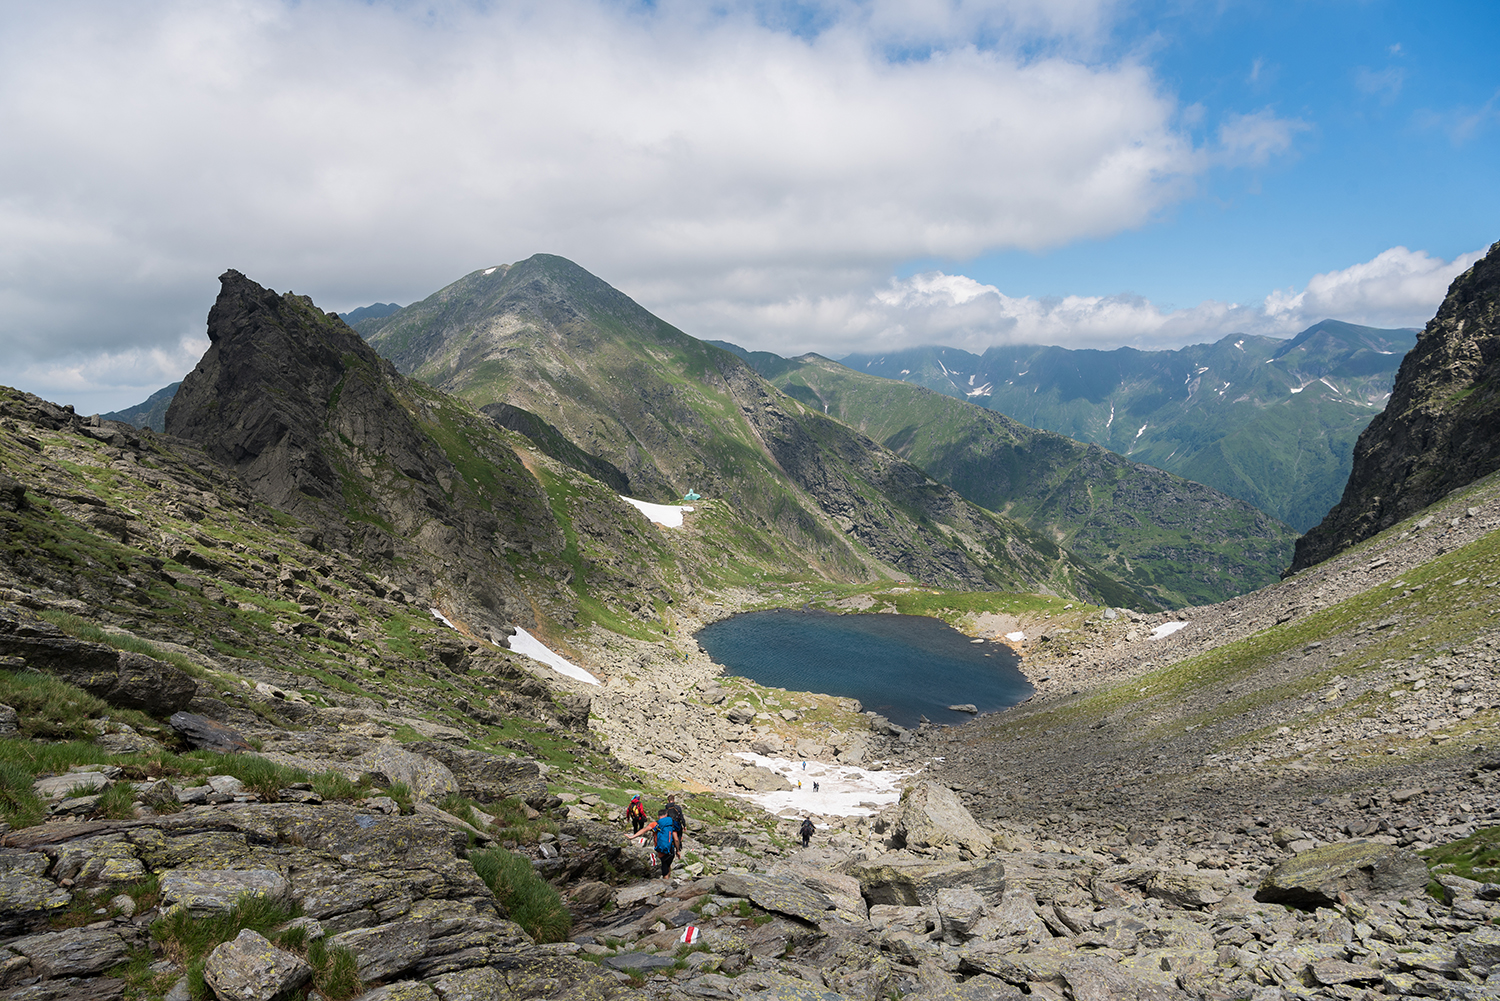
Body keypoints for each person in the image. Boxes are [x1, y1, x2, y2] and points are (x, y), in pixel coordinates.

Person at [636, 806, 680, 881]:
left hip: (660, 851)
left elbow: (644, 830)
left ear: (658, 816)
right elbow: (676, 839)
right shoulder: (671, 824)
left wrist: (632, 837)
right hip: (671, 850)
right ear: (666, 815)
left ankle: (667, 886)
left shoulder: (655, 824)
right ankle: (669, 881)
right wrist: (678, 851)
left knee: (664, 870)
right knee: (668, 866)